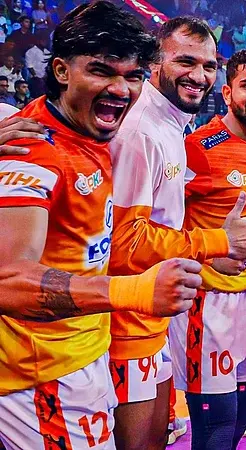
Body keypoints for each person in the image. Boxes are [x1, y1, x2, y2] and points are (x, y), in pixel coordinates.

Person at [0, 3, 201, 449]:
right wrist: (134, 291)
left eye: (133, 76)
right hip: (44, 375)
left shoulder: (90, 132)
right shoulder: (34, 151)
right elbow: (7, 279)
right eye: (101, 71)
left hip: (85, 352)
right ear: (61, 70)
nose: (120, 89)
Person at [108, 17, 246, 449]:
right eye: (186, 62)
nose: (199, 75)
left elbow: (163, 223)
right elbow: (123, 242)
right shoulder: (140, 132)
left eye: (209, 65)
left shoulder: (170, 123)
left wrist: (210, 252)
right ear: (155, 62)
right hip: (126, 323)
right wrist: (216, 242)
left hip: (153, 315)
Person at [170, 47, 246, 450]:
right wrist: (208, 252)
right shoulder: (198, 147)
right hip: (208, 304)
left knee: (238, 422)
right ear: (227, 91)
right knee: (215, 431)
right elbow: (157, 221)